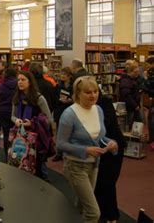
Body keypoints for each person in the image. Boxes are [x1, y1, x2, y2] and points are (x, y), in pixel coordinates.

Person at [57, 76, 118, 223]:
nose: (93, 95)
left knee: (82, 206)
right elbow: (60, 144)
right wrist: (85, 150)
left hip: (94, 166)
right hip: (75, 166)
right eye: (88, 92)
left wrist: (111, 143)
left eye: (95, 91)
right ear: (78, 94)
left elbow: (99, 137)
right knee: (93, 213)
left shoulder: (98, 110)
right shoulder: (69, 114)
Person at [11, 71, 53, 179]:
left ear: (30, 82)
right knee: (21, 163)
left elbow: (49, 119)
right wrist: (16, 120)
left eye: (23, 80)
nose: (20, 82)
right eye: (18, 80)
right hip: (20, 136)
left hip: (36, 138)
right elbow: (12, 116)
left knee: (38, 166)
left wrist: (33, 122)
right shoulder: (16, 97)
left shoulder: (39, 98)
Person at [95, 93, 126, 223]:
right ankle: (101, 212)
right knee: (98, 182)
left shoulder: (105, 102)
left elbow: (105, 126)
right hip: (99, 148)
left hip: (113, 146)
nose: (91, 95)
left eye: (93, 91)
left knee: (107, 182)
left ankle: (112, 216)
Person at [52, 67, 74, 162]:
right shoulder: (58, 86)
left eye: (64, 75)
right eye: (61, 74)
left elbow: (76, 97)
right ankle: (59, 153)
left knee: (70, 132)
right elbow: (54, 97)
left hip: (69, 110)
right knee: (59, 132)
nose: (62, 76)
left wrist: (71, 100)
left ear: (69, 76)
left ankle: (69, 152)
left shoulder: (73, 86)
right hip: (60, 110)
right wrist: (59, 99)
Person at [0, 67, 18, 161]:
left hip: (3, 111)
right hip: (15, 112)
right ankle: (16, 156)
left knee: (6, 134)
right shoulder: (18, 85)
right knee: (16, 134)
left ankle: (6, 155)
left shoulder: (1, 85)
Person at [119, 61, 142, 129]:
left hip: (133, 106)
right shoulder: (126, 80)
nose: (137, 74)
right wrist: (135, 105)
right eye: (135, 72)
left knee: (137, 123)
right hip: (130, 107)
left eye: (138, 72)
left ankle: (135, 138)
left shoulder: (132, 79)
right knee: (130, 124)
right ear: (130, 72)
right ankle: (131, 139)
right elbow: (126, 95)